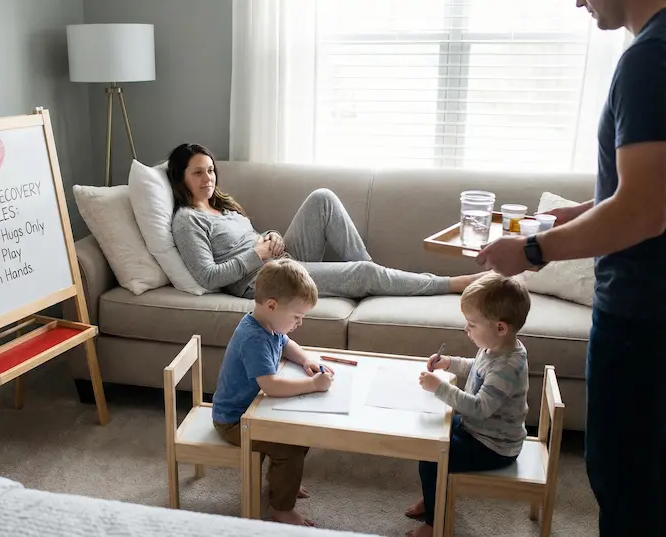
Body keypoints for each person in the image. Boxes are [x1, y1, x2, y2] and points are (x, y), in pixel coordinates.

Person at [476, 2, 666, 536]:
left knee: (625, 482)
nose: (578, 1)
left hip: (640, 319)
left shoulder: (649, 58)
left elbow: (644, 210)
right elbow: (652, 188)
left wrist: (533, 250)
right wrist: (580, 211)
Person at [167, 142, 487, 300]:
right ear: (181, 178)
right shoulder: (187, 220)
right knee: (362, 273)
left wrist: (272, 236)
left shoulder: (222, 206)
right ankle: (450, 283)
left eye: (211, 170)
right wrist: (257, 254)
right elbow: (208, 277)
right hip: (261, 280)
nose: (208, 178)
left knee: (323, 198)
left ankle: (373, 277)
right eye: (198, 173)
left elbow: (252, 236)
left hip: (277, 258)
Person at [405, 273, 531, 537]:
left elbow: (478, 408)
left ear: (500, 328)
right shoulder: (496, 348)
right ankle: (434, 497)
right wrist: (449, 363)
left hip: (494, 446)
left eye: (472, 324)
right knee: (430, 435)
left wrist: (440, 388)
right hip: (478, 430)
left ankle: (435, 522)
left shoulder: (507, 367)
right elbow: (477, 367)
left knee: (432, 458)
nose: (466, 330)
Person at [212, 258, 334, 526]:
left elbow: (286, 343)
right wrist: (314, 385)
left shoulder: (269, 325)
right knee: (289, 446)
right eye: (296, 317)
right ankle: (281, 509)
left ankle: (283, 483)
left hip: (251, 410)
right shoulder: (254, 338)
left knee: (300, 434)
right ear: (271, 306)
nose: (299, 323)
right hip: (234, 422)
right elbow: (271, 385)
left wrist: (305, 359)